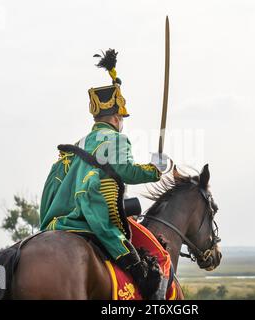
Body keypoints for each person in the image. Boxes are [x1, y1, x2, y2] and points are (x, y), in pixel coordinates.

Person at [39, 49, 170, 299]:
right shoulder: (116, 139)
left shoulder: (78, 144)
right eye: (122, 117)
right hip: (97, 219)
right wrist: (156, 169)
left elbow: (52, 186)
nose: (123, 121)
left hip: (59, 221)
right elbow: (128, 172)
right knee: (153, 259)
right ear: (117, 117)